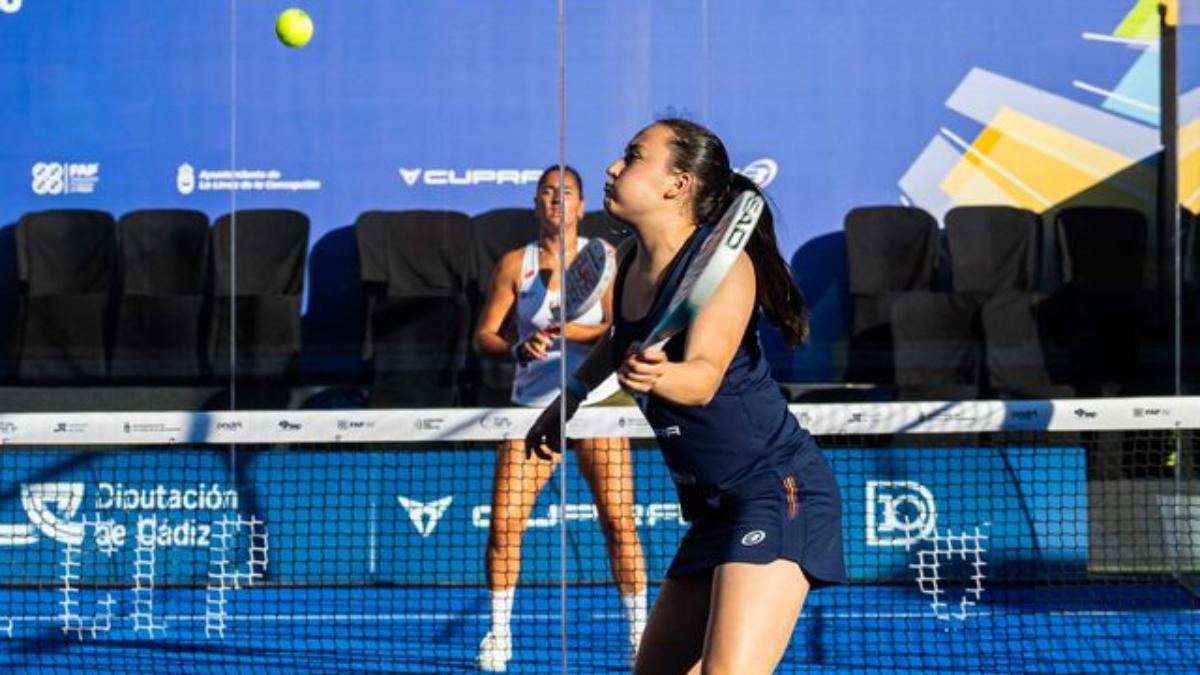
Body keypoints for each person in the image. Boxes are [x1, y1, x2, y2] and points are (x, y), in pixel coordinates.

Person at [525, 120, 847, 675]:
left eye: (633, 157)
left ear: (677, 184)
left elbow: (702, 377)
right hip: (713, 510)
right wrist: (571, 396)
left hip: (777, 490)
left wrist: (657, 377)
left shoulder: (725, 269)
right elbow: (620, 337)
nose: (612, 167)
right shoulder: (626, 262)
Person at [473, 165, 649, 672]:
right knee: (505, 525)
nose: (556, 201)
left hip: (598, 405)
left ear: (581, 204)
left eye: (565, 193)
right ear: (536, 203)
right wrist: (517, 345)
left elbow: (622, 329)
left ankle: (640, 633)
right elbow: (485, 335)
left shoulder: (608, 259)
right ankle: (499, 633)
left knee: (619, 522)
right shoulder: (515, 264)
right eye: (547, 193)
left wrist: (574, 333)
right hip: (535, 407)